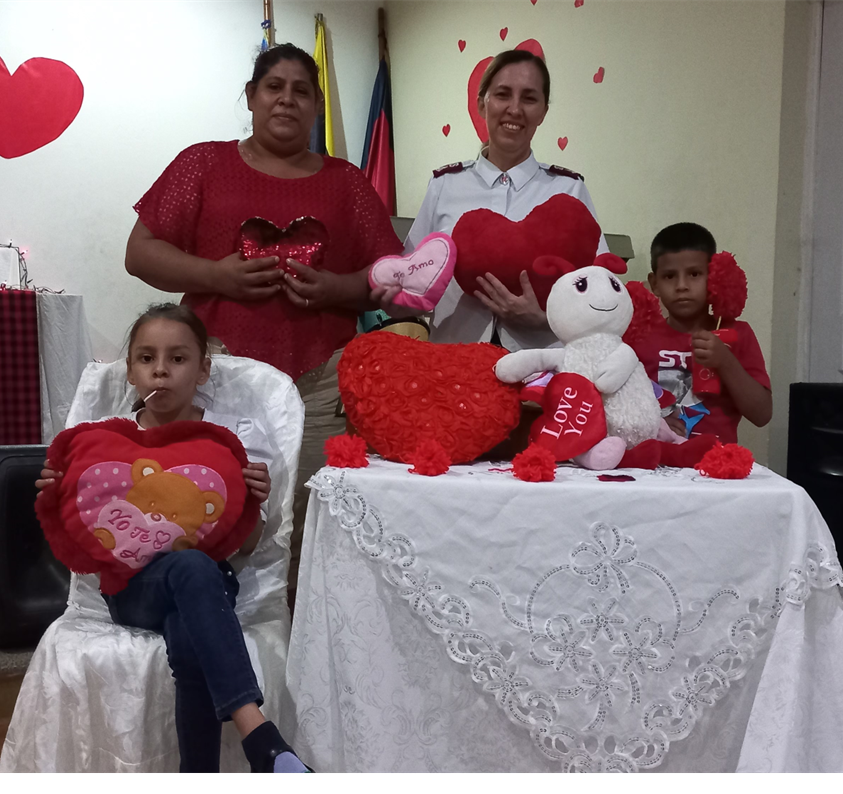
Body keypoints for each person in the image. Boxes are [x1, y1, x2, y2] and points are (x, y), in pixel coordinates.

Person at [124, 43, 403, 605]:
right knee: (207, 504)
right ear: (251, 97)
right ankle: (212, 623)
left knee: (314, 513)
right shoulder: (203, 164)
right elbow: (139, 252)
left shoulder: (347, 182)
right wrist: (216, 275)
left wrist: (336, 288)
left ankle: (303, 639)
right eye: (274, 87)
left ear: (316, 105)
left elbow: (392, 274)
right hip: (217, 374)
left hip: (323, 381)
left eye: (302, 91)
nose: (287, 100)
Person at [36, 304, 310, 774]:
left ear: (203, 369)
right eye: (146, 358)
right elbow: (81, 537)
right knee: (193, 566)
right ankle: (260, 737)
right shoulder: (100, 442)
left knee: (189, 633)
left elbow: (247, 547)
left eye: (178, 358)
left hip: (207, 588)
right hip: (131, 590)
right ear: (130, 371)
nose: (160, 370)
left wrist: (252, 504)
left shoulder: (231, 437)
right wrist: (60, 494)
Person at [374, 48, 608, 352]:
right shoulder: (445, 186)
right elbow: (414, 281)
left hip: (543, 366)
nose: (515, 109)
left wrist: (546, 319)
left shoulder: (569, 190)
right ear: (482, 104)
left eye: (529, 98)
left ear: (543, 112)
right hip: (455, 361)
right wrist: (391, 297)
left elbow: (602, 294)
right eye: (502, 94)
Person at [630, 223, 772, 444]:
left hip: (717, 461)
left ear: (714, 278)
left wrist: (725, 362)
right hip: (658, 459)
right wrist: (653, 421)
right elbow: (619, 406)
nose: (682, 286)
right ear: (654, 283)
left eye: (694, 274)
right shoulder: (639, 337)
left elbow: (762, 415)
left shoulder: (738, 333)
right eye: (669, 276)